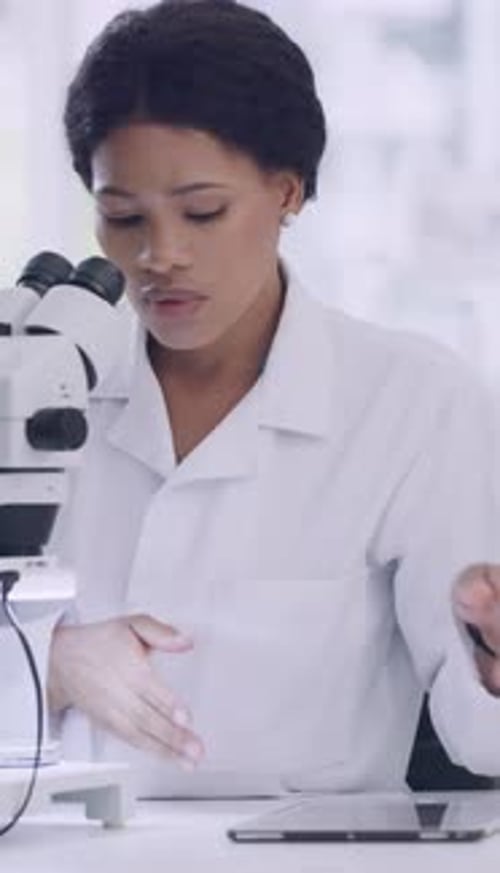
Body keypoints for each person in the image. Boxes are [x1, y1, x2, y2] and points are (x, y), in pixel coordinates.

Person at [47, 0, 500, 798]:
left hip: (306, 871)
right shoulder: (34, 387)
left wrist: (492, 662)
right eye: (122, 217)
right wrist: (49, 660)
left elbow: (481, 738)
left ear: (287, 192)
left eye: (203, 212)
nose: (160, 256)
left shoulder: (415, 403)